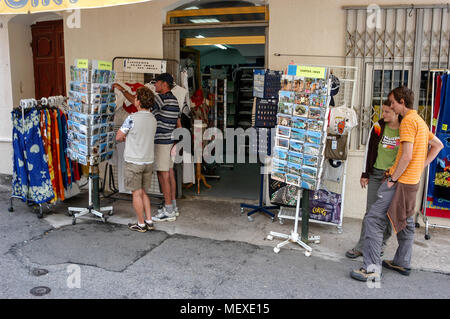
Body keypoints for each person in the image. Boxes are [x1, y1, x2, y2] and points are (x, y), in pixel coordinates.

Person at [350, 87, 444, 282]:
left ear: (401, 102)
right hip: (412, 183)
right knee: (405, 221)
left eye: (392, 102)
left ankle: (371, 269)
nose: (390, 105)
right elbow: (438, 145)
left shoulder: (408, 121)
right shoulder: (419, 120)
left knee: (374, 220)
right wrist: (420, 166)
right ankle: (402, 262)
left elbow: (407, 155)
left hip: (400, 182)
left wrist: (392, 179)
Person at [346, 100, 401, 259]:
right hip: (376, 174)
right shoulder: (377, 126)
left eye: (387, 112)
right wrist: (365, 174)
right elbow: (369, 149)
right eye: (382, 111)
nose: (383, 115)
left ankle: (381, 244)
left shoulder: (405, 128)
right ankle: (362, 245)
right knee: (370, 213)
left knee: (388, 214)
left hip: (393, 177)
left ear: (396, 112)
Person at [116, 86, 157, 233]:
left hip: (134, 161)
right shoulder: (153, 119)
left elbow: (119, 136)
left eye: (136, 98)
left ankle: (140, 223)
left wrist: (127, 137)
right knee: (144, 192)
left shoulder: (131, 118)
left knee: (136, 193)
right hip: (148, 160)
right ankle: (149, 220)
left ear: (138, 102)